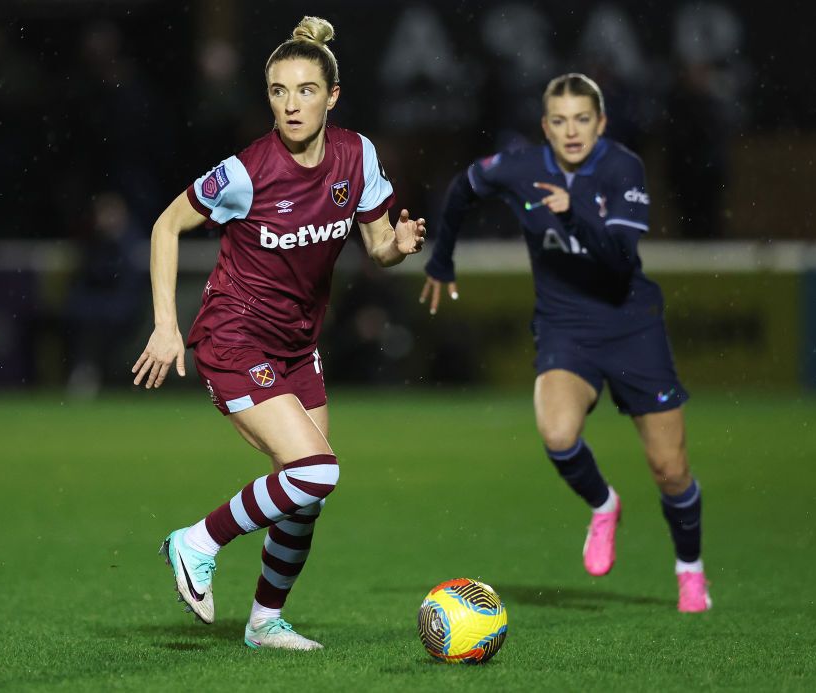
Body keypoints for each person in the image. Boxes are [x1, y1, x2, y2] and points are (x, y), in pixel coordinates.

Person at [131, 16, 426, 650]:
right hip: (234, 340)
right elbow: (164, 225)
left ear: (332, 96)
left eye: (305, 90)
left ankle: (265, 621)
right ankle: (196, 541)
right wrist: (165, 324)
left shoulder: (358, 155)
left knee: (304, 498)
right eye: (277, 91)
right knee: (317, 471)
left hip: (297, 347)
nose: (290, 105)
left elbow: (375, 246)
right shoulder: (246, 172)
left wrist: (397, 247)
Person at [420, 73, 710, 612]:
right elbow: (464, 188)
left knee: (670, 469)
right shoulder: (521, 166)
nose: (571, 131)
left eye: (582, 119)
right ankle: (604, 505)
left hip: (631, 326)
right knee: (557, 433)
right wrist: (442, 258)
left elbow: (621, 257)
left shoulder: (623, 168)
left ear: (600, 123)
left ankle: (690, 570)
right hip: (565, 326)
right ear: (545, 126)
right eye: (559, 120)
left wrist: (572, 209)